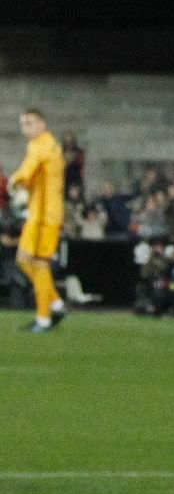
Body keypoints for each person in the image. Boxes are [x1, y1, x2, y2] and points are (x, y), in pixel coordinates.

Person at [10, 109, 67, 332]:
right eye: (24, 123)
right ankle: (56, 303)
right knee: (23, 259)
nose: (27, 128)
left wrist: (16, 180)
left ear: (43, 123)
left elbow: (28, 169)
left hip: (46, 214)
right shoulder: (48, 144)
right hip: (39, 212)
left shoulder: (41, 145)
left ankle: (43, 318)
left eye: (31, 122)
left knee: (39, 263)